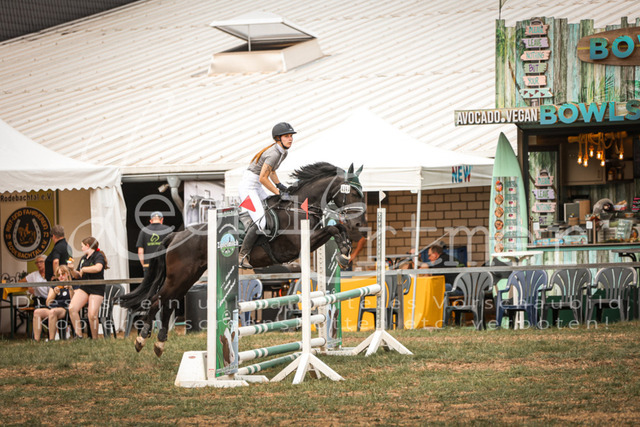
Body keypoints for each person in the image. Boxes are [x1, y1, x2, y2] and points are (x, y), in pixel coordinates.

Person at [238, 122, 296, 268]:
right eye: (287, 136)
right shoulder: (274, 153)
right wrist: (278, 192)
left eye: (291, 136)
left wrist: (279, 185)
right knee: (262, 221)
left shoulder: (283, 152)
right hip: (248, 187)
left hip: (256, 186)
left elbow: (272, 171)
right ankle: (242, 255)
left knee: (273, 208)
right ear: (278, 138)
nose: (290, 139)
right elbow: (263, 178)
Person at [68, 237, 108, 339]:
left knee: (92, 314)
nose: (81, 248)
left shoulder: (98, 256)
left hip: (96, 288)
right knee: (72, 308)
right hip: (84, 287)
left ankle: (94, 339)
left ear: (87, 246)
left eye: (82, 246)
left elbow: (98, 268)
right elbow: (78, 275)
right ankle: (78, 335)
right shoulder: (83, 258)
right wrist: (72, 270)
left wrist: (84, 269)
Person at [33, 265, 74, 342]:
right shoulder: (55, 286)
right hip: (52, 308)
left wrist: (70, 289)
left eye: (63, 274)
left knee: (53, 312)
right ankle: (36, 340)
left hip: (65, 309)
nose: (61, 276)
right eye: (58, 275)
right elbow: (48, 303)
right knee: (37, 312)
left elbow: (74, 301)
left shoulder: (72, 285)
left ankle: (51, 339)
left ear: (68, 274)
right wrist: (54, 293)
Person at [136, 211, 172, 277]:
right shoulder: (168, 230)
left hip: (148, 265)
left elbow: (140, 252)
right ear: (162, 220)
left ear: (151, 221)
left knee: (149, 283)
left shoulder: (144, 231)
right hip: (163, 265)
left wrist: (144, 265)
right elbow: (172, 249)